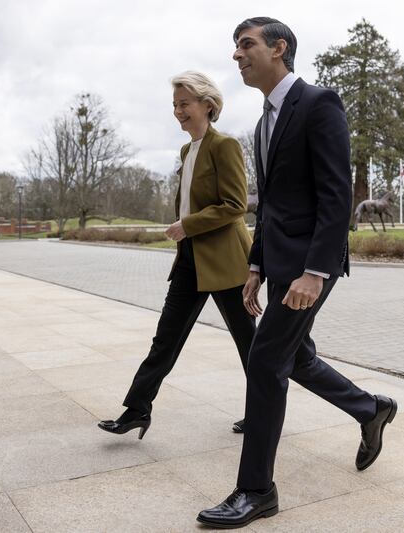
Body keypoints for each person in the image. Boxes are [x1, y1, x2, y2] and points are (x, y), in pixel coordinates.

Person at [197, 18, 397, 529]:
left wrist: (316, 272)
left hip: (311, 266)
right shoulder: (264, 121)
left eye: (247, 45)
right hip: (279, 263)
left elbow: (336, 194)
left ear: (279, 48)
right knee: (297, 359)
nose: (237, 56)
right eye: (235, 48)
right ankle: (370, 409)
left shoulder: (318, 103)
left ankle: (256, 490)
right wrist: (257, 266)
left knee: (265, 361)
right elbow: (271, 207)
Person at [98, 71, 255, 439]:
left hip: (226, 263)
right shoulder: (187, 150)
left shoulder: (225, 146)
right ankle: (137, 409)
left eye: (184, 104)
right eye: (175, 105)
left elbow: (235, 205)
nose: (178, 111)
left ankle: (262, 412)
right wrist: (186, 228)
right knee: (165, 339)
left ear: (207, 105)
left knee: (249, 344)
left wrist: (188, 225)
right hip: (189, 262)